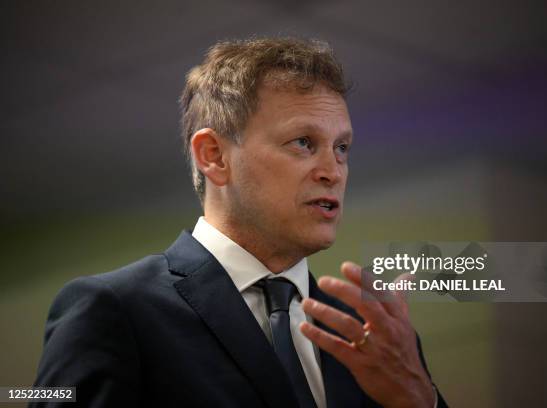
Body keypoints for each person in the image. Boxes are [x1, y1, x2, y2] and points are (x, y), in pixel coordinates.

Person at [32, 37, 447, 407]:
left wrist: (418, 400)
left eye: (342, 147)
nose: (333, 171)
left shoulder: (374, 337)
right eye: (304, 142)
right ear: (213, 155)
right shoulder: (113, 310)